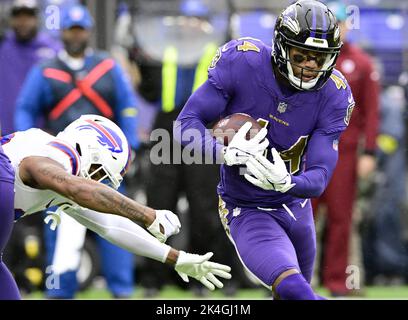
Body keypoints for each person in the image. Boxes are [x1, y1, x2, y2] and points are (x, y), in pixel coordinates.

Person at [174, 0, 354, 300]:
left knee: (291, 296)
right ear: (282, 47)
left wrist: (288, 182)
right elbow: (185, 125)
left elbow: (321, 175)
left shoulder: (333, 94)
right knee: (295, 291)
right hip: (247, 208)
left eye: (319, 58)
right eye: (302, 55)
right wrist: (225, 153)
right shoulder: (244, 62)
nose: (310, 66)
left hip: (296, 207)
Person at [0, 114, 231, 300]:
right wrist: (148, 214)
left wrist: (174, 257)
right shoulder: (57, 158)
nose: (98, 183)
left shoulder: (64, 172)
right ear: (88, 150)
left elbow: (110, 225)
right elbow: (77, 188)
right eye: (100, 174)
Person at [14, 4, 140, 298]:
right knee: (60, 231)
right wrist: (34, 146)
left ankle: (122, 291)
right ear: (62, 33)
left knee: (116, 223)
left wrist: (130, 148)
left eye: (80, 29)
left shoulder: (107, 67)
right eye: (70, 30)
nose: (75, 35)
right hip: (63, 165)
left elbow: (127, 107)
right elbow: (25, 109)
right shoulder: (46, 70)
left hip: (105, 166)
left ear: (88, 32)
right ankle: (59, 292)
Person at [311, 1, 379, 296]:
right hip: (310, 150)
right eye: (331, 24)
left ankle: (337, 281)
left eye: (340, 23)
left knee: (341, 217)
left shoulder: (361, 63)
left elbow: (372, 112)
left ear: (347, 25)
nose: (336, 29)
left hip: (346, 152)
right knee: (302, 215)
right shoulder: (309, 59)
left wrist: (370, 152)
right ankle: (294, 277)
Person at [0, 0, 60, 135]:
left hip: (42, 132)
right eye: (18, 17)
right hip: (6, 132)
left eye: (28, 17)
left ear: (37, 19)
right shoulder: (3, 44)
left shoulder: (52, 48)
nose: (23, 22)